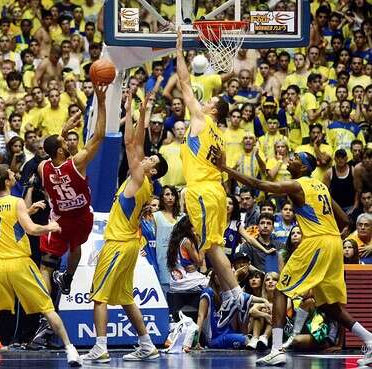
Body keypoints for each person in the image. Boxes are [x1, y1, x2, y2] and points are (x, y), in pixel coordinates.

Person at [217, 151, 372, 366]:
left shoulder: (298, 185)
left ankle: (277, 349)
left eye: (295, 157)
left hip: (316, 242)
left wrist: (226, 169)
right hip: (333, 242)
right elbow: (345, 220)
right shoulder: (322, 187)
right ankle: (369, 340)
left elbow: (258, 184)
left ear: (304, 167)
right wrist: (332, 239)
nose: (290, 159)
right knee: (329, 305)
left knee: (280, 289)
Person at [82, 91, 168, 363]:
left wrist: (135, 110)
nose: (146, 159)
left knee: (99, 297)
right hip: (128, 245)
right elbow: (135, 144)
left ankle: (101, 346)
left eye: (151, 161)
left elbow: (132, 144)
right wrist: (136, 109)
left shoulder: (141, 180)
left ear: (153, 171)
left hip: (118, 244)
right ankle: (146, 344)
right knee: (126, 298)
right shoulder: (145, 182)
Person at [174, 29, 246, 329]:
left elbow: (184, 84)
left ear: (213, 109)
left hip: (202, 191)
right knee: (213, 245)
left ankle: (236, 295)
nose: (204, 101)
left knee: (212, 247)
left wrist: (178, 50)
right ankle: (232, 293)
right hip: (215, 190)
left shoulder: (202, 120)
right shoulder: (222, 134)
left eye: (210, 100)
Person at [0, 164, 81, 367]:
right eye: (11, 174)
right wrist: (50, 227)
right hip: (19, 263)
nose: (14, 175)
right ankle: (71, 350)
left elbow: (7, 222)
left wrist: (29, 210)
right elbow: (31, 229)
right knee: (47, 306)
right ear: (7, 181)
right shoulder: (16, 201)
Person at [37, 84, 108, 295]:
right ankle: (68, 277)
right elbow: (100, 134)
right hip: (82, 217)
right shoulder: (77, 163)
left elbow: (53, 150)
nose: (68, 142)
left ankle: (45, 307)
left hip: (60, 220)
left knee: (46, 266)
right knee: (75, 247)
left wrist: (64, 131)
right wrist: (102, 103)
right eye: (64, 141)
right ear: (61, 150)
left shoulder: (43, 167)